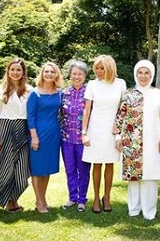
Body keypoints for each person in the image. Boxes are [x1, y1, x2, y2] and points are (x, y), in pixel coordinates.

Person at [113, 60, 160, 220]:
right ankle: (134, 209)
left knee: (150, 177)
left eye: (147, 73)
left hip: (153, 141)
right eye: (140, 73)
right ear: (135, 74)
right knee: (134, 177)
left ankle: (149, 211)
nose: (143, 76)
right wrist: (118, 136)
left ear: (151, 75)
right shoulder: (128, 94)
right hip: (132, 141)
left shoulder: (157, 93)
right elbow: (120, 117)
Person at [81, 55, 126, 213]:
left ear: (110, 68)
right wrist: (84, 132)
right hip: (95, 128)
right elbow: (87, 110)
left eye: (102, 68)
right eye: (97, 68)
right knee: (97, 164)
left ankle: (107, 197)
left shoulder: (120, 84)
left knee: (109, 164)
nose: (99, 71)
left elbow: (123, 108)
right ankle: (95, 197)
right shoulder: (92, 84)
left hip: (112, 129)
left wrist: (118, 127)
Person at [0, 58, 32, 212]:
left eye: (18, 70)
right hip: (6, 128)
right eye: (12, 69)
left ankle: (15, 198)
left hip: (23, 128)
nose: (15, 72)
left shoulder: (30, 90)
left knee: (21, 168)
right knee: (7, 166)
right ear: (8, 71)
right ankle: (8, 201)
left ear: (23, 72)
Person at [27, 62, 63, 213]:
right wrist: (34, 137)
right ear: (42, 74)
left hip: (54, 134)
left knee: (47, 168)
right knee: (37, 169)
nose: (49, 74)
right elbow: (30, 116)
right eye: (46, 72)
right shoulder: (35, 93)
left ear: (56, 74)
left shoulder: (60, 92)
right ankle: (38, 201)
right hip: (38, 133)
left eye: (52, 72)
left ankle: (43, 198)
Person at [60, 60, 91, 213]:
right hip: (66, 139)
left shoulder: (90, 93)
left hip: (82, 140)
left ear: (85, 76)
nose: (77, 76)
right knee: (70, 169)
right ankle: (73, 197)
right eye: (74, 74)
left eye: (80, 74)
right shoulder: (64, 93)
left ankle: (82, 200)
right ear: (70, 75)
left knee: (83, 171)